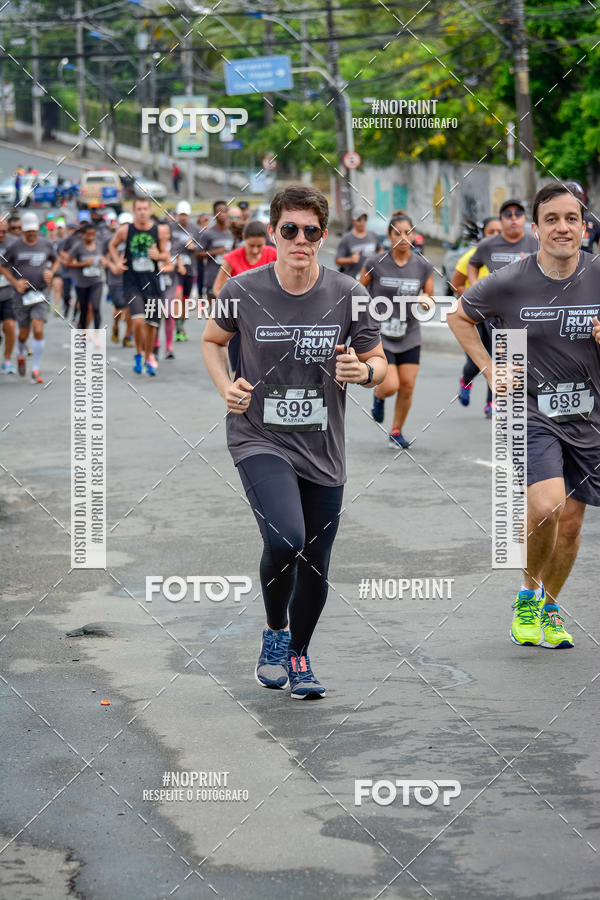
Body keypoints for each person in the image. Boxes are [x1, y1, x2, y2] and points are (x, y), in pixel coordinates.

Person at [201, 185, 386, 698]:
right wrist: (226, 386)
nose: (299, 239)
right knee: (285, 538)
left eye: (310, 231)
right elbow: (214, 341)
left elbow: (380, 364)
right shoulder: (242, 289)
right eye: (289, 230)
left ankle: (300, 654)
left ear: (323, 237)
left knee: (317, 560)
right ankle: (275, 633)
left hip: (323, 447)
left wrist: (364, 371)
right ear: (274, 234)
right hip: (258, 436)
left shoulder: (349, 293)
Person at [448, 182, 600, 649]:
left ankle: (551, 609)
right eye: (551, 219)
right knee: (548, 505)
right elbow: (459, 317)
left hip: (590, 415)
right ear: (535, 229)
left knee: (572, 522)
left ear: (584, 227)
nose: (562, 227)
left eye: (570, 218)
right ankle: (527, 598)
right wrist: (490, 368)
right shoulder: (511, 279)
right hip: (533, 410)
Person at [360, 212, 434, 448]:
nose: (404, 237)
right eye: (398, 233)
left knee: (408, 385)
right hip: (380, 333)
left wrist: (425, 299)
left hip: (409, 332)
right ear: (389, 236)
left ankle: (396, 431)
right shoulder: (375, 263)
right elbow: (357, 289)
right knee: (390, 385)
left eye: (408, 232)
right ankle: (379, 396)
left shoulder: (422, 265)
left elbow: (429, 293)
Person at [108, 197, 169, 375]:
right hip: (132, 283)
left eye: (145, 209)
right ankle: (138, 353)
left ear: (149, 211)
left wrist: (159, 255)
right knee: (138, 320)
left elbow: (166, 254)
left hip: (153, 283)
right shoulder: (126, 230)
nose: (142, 212)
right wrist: (117, 262)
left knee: (152, 326)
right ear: (134, 211)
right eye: (139, 209)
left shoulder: (160, 231)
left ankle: (148, 356)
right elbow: (112, 245)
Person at [212, 220, 277, 377]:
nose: (255, 251)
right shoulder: (232, 258)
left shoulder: (273, 254)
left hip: (266, 323)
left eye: (259, 246)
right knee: (238, 373)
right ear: (243, 238)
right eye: (251, 246)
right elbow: (217, 289)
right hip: (240, 323)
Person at [0, 211, 59, 383]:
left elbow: (56, 260)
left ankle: (35, 369)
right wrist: (15, 282)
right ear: (24, 231)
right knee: (24, 333)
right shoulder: (15, 246)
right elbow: (3, 267)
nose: (32, 234)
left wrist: (51, 272)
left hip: (40, 293)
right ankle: (20, 354)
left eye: (34, 231)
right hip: (21, 296)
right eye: (28, 232)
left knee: (38, 328)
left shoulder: (45, 244)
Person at [452, 216, 502, 416]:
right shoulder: (472, 257)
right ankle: (465, 380)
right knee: (476, 360)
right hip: (476, 316)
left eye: (500, 232)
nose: (497, 237)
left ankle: (492, 403)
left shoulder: (511, 258)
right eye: (492, 232)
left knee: (497, 358)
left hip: (500, 316)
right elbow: (456, 284)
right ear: (483, 235)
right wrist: (475, 300)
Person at [467, 198, 538, 285]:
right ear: (501, 220)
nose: (513, 218)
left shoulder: (537, 243)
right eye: (508, 214)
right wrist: (475, 284)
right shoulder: (487, 244)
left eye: (518, 213)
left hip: (528, 296)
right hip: (497, 296)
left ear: (525, 219)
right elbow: (472, 264)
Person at [170, 200, 203, 344]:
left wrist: (193, 247)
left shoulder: (195, 229)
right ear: (177, 214)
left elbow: (202, 249)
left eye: (185, 214)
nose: (183, 217)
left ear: (189, 215)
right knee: (176, 297)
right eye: (180, 214)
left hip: (190, 269)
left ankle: (180, 327)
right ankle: (177, 326)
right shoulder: (170, 228)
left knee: (184, 300)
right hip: (174, 269)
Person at [102, 211, 133, 346]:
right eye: (123, 225)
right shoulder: (111, 240)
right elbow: (103, 258)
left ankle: (127, 337)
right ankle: (115, 327)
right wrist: (112, 266)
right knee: (119, 309)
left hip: (131, 280)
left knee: (131, 310)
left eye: (128, 225)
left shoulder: (135, 239)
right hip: (115, 280)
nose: (125, 228)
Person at [68, 222, 105, 330]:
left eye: (93, 234)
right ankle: (83, 333)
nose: (91, 237)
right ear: (83, 235)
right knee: (84, 310)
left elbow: (104, 258)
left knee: (96, 307)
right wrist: (84, 264)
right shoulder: (78, 247)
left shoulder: (99, 244)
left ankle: (97, 335)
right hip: (82, 283)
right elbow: (68, 264)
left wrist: (103, 262)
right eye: (88, 234)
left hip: (97, 280)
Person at [335, 208, 381, 280]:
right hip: (353, 280)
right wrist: (350, 259)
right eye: (359, 219)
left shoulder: (373, 235)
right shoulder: (346, 238)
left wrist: (377, 259)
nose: (362, 222)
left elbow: (380, 249)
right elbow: (338, 260)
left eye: (365, 219)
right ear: (353, 220)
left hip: (370, 279)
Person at [203, 200, 234, 301]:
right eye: (219, 212)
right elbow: (197, 254)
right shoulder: (208, 233)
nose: (222, 215)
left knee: (229, 311)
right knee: (213, 312)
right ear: (214, 214)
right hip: (213, 275)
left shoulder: (232, 232)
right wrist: (216, 252)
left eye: (225, 211)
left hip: (229, 275)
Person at [0, 216, 17, 374]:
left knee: (10, 326)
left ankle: (7, 359)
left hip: (8, 292)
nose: (2, 235)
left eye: (4, 231)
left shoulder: (13, 243)